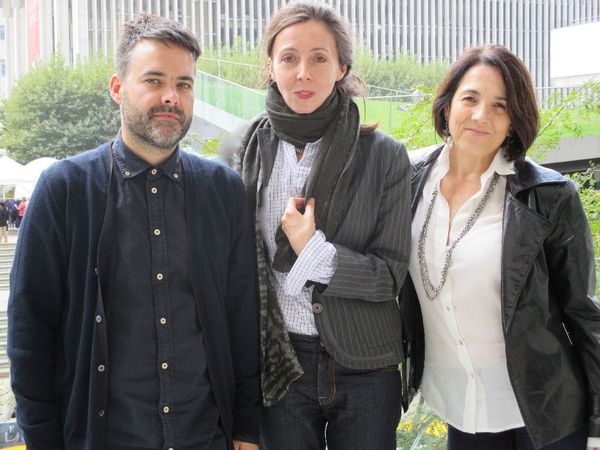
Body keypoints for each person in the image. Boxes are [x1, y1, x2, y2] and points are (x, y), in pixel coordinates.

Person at [8, 13, 259, 450]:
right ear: (117, 88)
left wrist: (246, 428)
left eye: (183, 84)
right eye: (154, 80)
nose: (171, 97)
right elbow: (30, 332)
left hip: (205, 436)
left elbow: (242, 318)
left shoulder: (223, 191)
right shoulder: (65, 190)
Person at [400, 44, 600, 450]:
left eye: (499, 106)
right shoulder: (404, 179)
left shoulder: (549, 195)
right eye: (470, 99)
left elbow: (584, 312)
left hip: (548, 411)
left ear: (515, 119)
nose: (480, 116)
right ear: (447, 105)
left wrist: (598, 422)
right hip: (461, 407)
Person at [232, 2, 411, 449]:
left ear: (342, 67)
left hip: (365, 363)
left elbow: (390, 274)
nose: (303, 73)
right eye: (289, 58)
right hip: (280, 362)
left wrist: (313, 250)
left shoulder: (383, 155)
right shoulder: (244, 150)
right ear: (271, 67)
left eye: (319, 58)